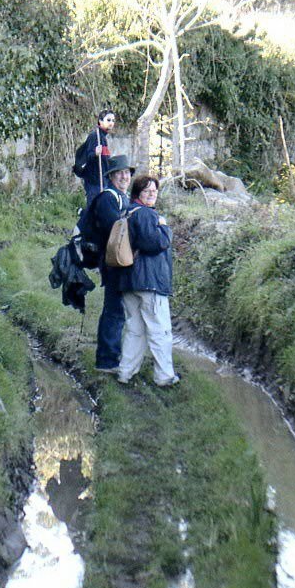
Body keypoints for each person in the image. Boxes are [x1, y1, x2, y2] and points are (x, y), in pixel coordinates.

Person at [116, 175, 179, 387]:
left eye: (154, 190)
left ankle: (125, 373)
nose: (152, 194)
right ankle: (164, 377)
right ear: (138, 193)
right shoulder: (145, 214)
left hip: (129, 282)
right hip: (149, 282)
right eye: (147, 191)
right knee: (160, 331)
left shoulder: (127, 212)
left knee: (135, 330)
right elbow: (156, 242)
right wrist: (164, 227)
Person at [90, 154, 133, 374]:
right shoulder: (108, 199)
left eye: (127, 173)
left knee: (118, 309)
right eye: (119, 173)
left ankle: (113, 355)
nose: (124, 177)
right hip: (113, 261)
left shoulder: (122, 197)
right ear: (111, 176)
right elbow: (114, 230)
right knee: (114, 310)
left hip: (120, 260)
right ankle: (106, 360)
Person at [73, 110, 116, 204]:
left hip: (102, 181)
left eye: (113, 120)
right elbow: (88, 157)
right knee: (94, 208)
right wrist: (95, 153)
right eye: (108, 120)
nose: (111, 123)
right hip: (95, 182)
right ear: (100, 121)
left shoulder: (103, 137)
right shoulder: (95, 136)